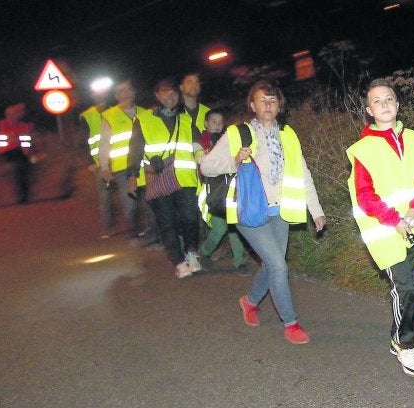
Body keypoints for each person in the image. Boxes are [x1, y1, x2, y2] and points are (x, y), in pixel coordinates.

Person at [200, 80, 326, 344]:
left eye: (273, 100)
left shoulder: (288, 135)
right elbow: (207, 167)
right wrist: (233, 160)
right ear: (252, 105)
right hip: (249, 211)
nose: (268, 105)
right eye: (262, 100)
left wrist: (316, 210)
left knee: (272, 265)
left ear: (279, 105)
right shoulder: (237, 134)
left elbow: (303, 174)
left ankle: (249, 301)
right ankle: (290, 323)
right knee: (279, 265)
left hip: (281, 212)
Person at [346, 78, 414, 377]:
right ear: (369, 111)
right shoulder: (362, 149)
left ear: (398, 105)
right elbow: (364, 194)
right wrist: (393, 219)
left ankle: (397, 336)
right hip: (384, 229)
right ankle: (406, 344)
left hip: (413, 224)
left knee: (408, 287)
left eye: (389, 99)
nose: (384, 104)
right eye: (377, 101)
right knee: (405, 288)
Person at [127, 78, 204, 278]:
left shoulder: (185, 117)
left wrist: (204, 159)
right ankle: (178, 262)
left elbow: (195, 143)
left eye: (173, 92)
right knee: (167, 222)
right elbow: (135, 149)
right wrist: (132, 175)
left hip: (185, 178)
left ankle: (191, 254)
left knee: (190, 218)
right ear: (157, 96)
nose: (169, 96)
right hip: (159, 179)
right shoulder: (144, 119)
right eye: (164, 92)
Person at [198, 108, 250, 275]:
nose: (217, 125)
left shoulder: (226, 140)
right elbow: (203, 164)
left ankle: (239, 262)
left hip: (231, 191)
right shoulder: (201, 142)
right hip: (214, 193)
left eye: (220, 122)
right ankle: (204, 253)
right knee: (219, 229)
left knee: (234, 226)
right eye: (214, 121)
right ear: (206, 123)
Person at [98, 78, 147, 238]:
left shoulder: (145, 113)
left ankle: (149, 232)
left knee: (148, 202)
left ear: (133, 92)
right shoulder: (109, 116)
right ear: (116, 95)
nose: (125, 94)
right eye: (120, 91)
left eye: (127, 90)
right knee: (130, 205)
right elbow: (104, 143)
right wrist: (104, 167)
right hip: (122, 168)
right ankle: (134, 231)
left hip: (144, 165)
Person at [79, 77, 115, 238]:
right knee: (105, 197)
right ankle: (107, 228)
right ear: (92, 95)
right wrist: (90, 163)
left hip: (120, 160)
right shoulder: (86, 116)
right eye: (96, 93)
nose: (100, 95)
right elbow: (83, 141)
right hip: (99, 163)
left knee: (128, 194)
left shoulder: (117, 110)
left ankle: (133, 227)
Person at [0, 103, 34, 204]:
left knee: (25, 171)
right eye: (14, 113)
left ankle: (24, 196)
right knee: (16, 172)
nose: (18, 115)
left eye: (18, 113)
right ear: (8, 115)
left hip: (22, 153)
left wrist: (29, 153)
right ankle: (14, 196)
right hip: (6, 154)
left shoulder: (25, 126)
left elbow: (28, 141)